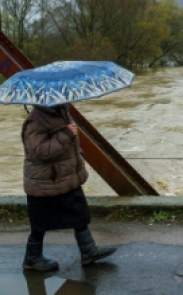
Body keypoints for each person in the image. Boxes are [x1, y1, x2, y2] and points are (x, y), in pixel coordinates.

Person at [21, 103, 116, 271]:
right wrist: (66, 135)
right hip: (45, 182)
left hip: (64, 176)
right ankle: (32, 258)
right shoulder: (35, 120)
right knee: (40, 222)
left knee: (79, 212)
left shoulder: (61, 110)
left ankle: (88, 251)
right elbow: (39, 151)